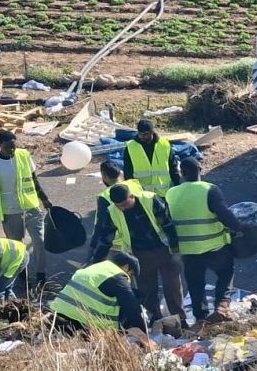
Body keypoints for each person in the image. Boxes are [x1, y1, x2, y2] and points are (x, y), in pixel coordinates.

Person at [92, 184, 183, 326]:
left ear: (132, 196)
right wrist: (96, 262)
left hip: (164, 250)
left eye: (125, 204)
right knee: (147, 291)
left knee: (172, 287)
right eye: (119, 206)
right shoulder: (112, 211)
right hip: (140, 255)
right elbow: (105, 239)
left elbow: (167, 224)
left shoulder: (150, 199)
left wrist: (175, 249)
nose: (122, 208)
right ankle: (156, 321)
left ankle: (180, 320)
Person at [165, 158, 242, 324]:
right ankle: (221, 307)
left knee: (195, 283)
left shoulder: (171, 193)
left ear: (182, 173)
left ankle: (200, 317)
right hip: (215, 246)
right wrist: (239, 228)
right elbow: (225, 215)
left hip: (188, 250)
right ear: (200, 170)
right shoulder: (209, 189)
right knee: (225, 273)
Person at [0, 129, 51, 292]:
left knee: (39, 241)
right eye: (8, 147)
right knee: (17, 246)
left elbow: (33, 179)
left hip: (31, 207)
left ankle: (41, 274)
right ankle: (22, 273)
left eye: (14, 146)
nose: (12, 150)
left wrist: (44, 198)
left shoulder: (23, 155)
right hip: (10, 212)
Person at [50, 252, 152, 348]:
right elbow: (131, 308)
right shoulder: (117, 276)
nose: (130, 277)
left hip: (58, 314)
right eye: (131, 274)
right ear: (126, 267)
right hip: (83, 324)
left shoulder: (97, 268)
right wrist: (144, 335)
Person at [89, 159, 143, 259]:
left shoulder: (105, 196)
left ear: (104, 176)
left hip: (120, 244)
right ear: (119, 173)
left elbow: (101, 224)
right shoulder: (134, 184)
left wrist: (93, 246)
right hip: (143, 236)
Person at [123, 117, 179, 194]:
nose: (142, 136)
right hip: (143, 194)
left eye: (145, 134)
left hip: (164, 192)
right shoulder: (130, 147)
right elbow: (127, 172)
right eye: (140, 133)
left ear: (152, 132)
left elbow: (173, 166)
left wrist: (177, 185)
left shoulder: (164, 144)